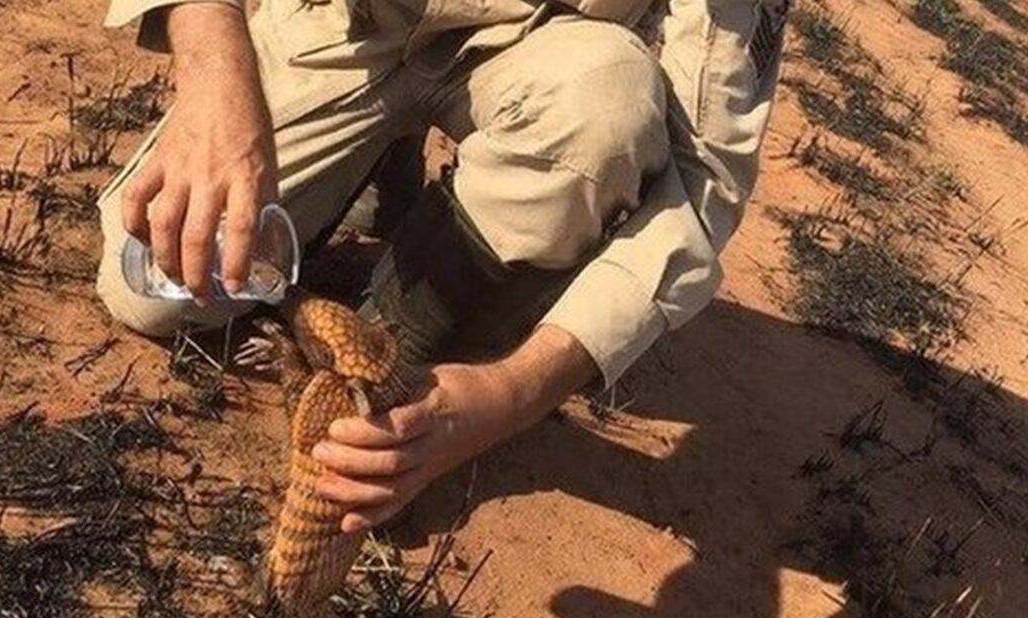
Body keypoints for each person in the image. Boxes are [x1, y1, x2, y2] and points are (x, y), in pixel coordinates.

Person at [97, 0, 788, 533]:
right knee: (158, 294)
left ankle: (401, 328)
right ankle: (374, 160)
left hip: (538, 52)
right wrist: (218, 86)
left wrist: (510, 393)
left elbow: (704, 179)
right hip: (352, 29)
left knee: (607, 106)